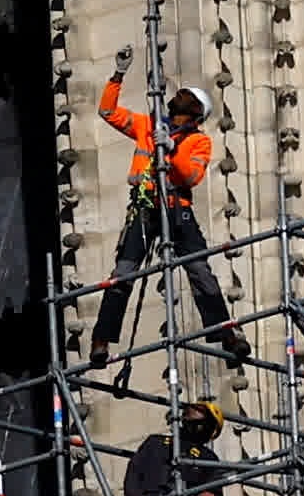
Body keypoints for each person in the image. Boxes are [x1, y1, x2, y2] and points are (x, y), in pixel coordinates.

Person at [89, 70, 247, 367]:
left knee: (200, 270)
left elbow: (190, 175)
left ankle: (228, 334)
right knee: (123, 273)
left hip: (176, 207)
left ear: (196, 113)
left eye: (186, 95)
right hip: (145, 207)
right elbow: (108, 112)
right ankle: (101, 339)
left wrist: (172, 151)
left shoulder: (199, 142)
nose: (179, 95)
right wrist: (118, 75)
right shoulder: (147, 127)